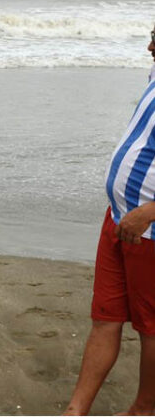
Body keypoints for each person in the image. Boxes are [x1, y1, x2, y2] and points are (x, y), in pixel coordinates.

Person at [64, 27, 155, 415]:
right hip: (118, 218)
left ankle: (144, 409)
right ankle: (76, 411)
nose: (150, 46)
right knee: (105, 318)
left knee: (152, 329)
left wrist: (149, 212)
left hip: (149, 230)